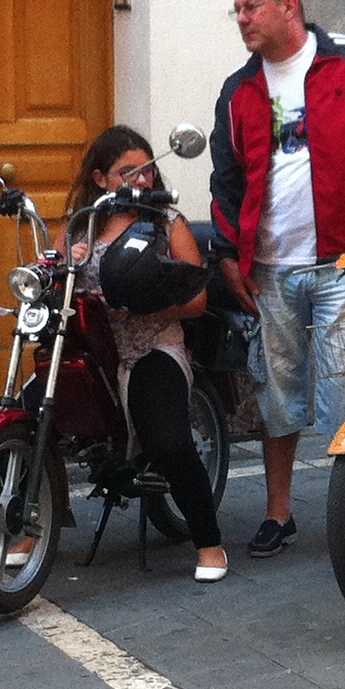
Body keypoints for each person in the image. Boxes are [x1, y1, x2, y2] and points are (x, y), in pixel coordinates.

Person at [208, 0, 345, 558]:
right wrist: (229, 255)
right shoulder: (238, 90)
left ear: (288, 6)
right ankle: (281, 514)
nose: (243, 19)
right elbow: (224, 182)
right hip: (269, 269)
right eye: (239, 10)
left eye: (252, 7)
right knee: (278, 396)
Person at [72, 127, 230, 582]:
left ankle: (209, 543)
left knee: (169, 440)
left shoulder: (167, 222)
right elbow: (63, 276)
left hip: (152, 346)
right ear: (101, 179)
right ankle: (29, 528)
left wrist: (144, 299)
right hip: (97, 350)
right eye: (128, 173)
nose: (141, 181)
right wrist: (70, 259)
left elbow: (197, 299)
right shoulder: (84, 223)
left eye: (147, 171)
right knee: (35, 409)